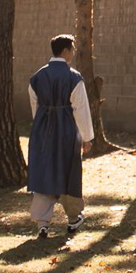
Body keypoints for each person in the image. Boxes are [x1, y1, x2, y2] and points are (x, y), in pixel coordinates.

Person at [27, 32, 94, 241]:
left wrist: (41, 125)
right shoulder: (74, 77)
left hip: (42, 130)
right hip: (66, 130)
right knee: (69, 172)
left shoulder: (37, 77)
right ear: (66, 51)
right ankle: (74, 217)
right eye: (72, 49)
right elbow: (80, 109)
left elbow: (35, 107)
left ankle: (42, 223)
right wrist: (87, 137)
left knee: (43, 171)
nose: (73, 53)